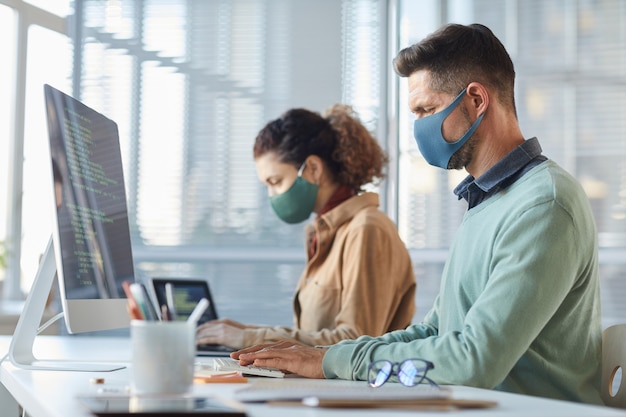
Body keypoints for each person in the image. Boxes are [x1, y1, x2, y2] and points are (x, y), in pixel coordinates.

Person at [232, 23, 603, 404]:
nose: (418, 127)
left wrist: (333, 361)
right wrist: (327, 358)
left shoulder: (543, 204)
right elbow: (436, 332)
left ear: (476, 99)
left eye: (426, 109)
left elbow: (474, 360)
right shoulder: (487, 201)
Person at [196, 104, 416, 350]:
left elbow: (357, 342)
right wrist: (244, 332)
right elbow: (315, 335)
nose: (272, 195)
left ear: (312, 168)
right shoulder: (326, 234)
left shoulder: (366, 229)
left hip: (354, 389)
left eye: (276, 181)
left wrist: (250, 339)